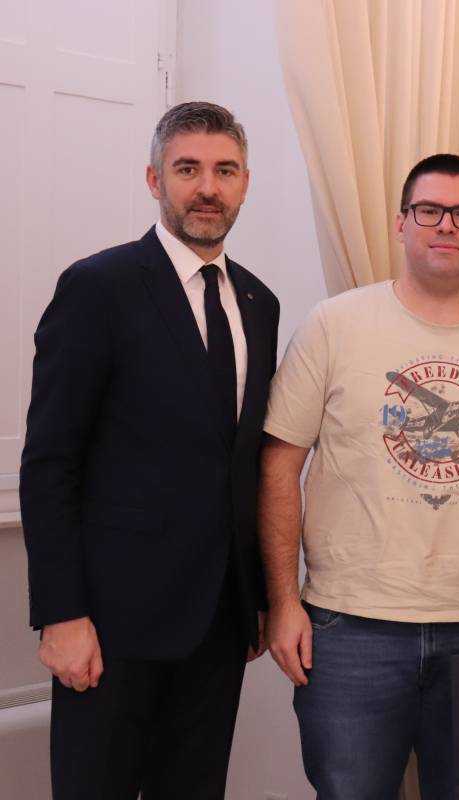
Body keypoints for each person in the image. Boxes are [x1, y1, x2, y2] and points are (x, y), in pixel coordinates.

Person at [259, 153, 459, 799]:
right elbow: (279, 466)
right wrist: (285, 602)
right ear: (401, 223)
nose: (446, 225)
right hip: (351, 628)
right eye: (429, 210)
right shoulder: (334, 325)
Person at [20, 101, 279, 799]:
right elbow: (50, 462)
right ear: (154, 179)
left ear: (245, 183)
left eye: (225, 170)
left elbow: (241, 463)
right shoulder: (98, 287)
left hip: (218, 624)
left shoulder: (259, 302)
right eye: (187, 169)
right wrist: (62, 614)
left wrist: (254, 596)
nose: (207, 188)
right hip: (110, 626)